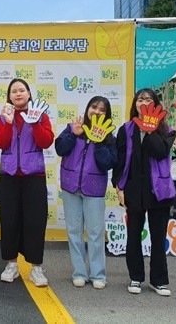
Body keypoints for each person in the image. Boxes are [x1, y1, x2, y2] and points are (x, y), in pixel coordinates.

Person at [112, 88, 176, 297]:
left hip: (159, 190)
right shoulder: (126, 129)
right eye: (140, 99)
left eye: (148, 99)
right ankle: (136, 277)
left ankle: (159, 281)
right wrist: (118, 187)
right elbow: (120, 161)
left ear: (155, 104)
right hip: (134, 189)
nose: (144, 102)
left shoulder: (167, 130)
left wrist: (150, 129)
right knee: (133, 236)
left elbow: (160, 152)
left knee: (158, 237)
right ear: (135, 105)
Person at [0, 78, 54, 287]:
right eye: (14, 91)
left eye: (22, 90)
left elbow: (46, 141)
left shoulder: (41, 116)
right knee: (9, 222)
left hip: (34, 177)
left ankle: (36, 268)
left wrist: (35, 122)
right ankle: (11, 265)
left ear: (28, 93)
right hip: (9, 177)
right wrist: (8, 122)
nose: (18, 94)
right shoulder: (2, 118)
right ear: (9, 96)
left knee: (35, 222)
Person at [55, 96, 117, 289]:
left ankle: (98, 274)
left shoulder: (109, 137)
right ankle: (79, 272)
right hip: (70, 187)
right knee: (74, 232)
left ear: (107, 114)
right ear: (87, 108)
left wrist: (98, 142)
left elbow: (108, 163)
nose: (97, 111)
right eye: (94, 107)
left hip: (94, 189)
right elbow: (60, 149)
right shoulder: (74, 126)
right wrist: (73, 134)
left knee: (96, 233)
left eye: (102, 109)